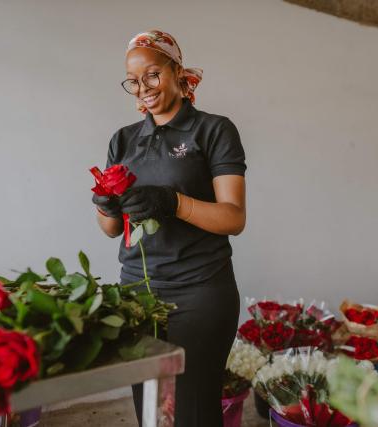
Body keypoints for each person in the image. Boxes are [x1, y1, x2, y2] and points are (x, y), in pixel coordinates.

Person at [92, 30, 246, 427]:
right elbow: (111, 230)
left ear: (177, 71)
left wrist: (174, 202)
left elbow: (234, 217)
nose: (143, 88)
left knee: (191, 412)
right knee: (151, 412)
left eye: (153, 74)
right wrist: (105, 204)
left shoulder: (213, 131)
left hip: (200, 292)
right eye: (134, 80)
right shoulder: (123, 139)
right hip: (136, 295)